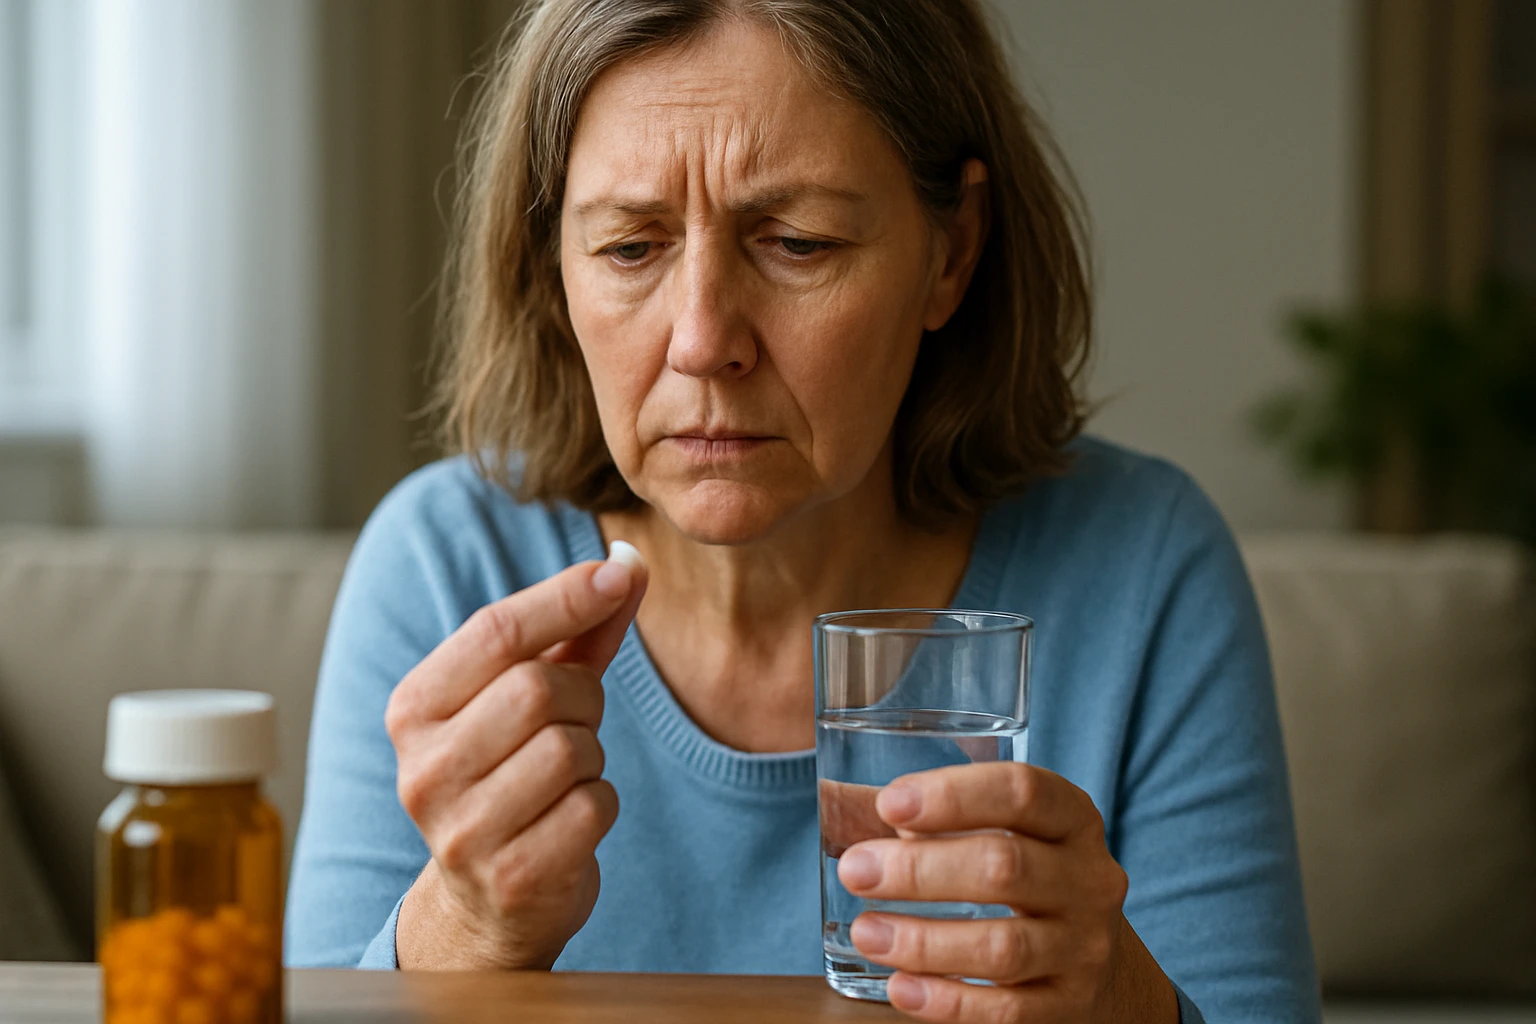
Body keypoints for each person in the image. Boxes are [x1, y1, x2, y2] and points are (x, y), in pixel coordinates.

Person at [285, 1, 1321, 1021]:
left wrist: (1122, 1005)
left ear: (952, 251)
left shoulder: (1145, 565)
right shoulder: (442, 565)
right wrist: (464, 928)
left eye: (798, 241)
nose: (703, 341)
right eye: (631, 248)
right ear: (552, 264)